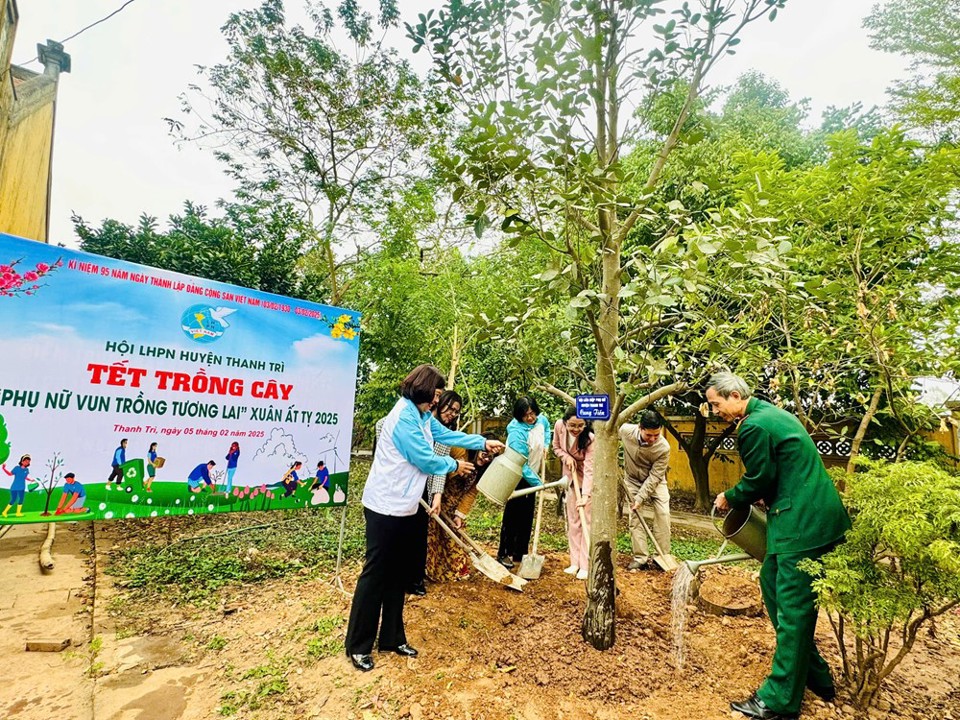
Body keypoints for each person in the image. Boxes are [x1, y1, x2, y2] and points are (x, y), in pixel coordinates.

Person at [708, 371, 851, 720]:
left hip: (801, 524)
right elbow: (779, 470)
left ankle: (779, 701)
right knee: (771, 583)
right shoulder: (771, 414)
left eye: (716, 404)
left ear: (735, 395)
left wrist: (732, 496)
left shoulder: (754, 426)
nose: (714, 412)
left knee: (792, 610)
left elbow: (759, 478)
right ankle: (816, 677)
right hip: (813, 516)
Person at [345, 364, 504, 673]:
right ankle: (358, 645)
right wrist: (454, 466)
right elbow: (424, 458)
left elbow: (444, 434)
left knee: (397, 574)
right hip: (384, 505)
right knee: (375, 574)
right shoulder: (404, 417)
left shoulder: (421, 416)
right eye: (437, 393)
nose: (439, 399)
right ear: (425, 390)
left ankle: (391, 637)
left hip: (405, 505)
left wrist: (482, 443)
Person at [410, 390, 463, 595]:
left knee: (419, 534)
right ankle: (399, 577)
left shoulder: (445, 433)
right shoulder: (420, 421)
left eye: (456, 412)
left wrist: (436, 495)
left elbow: (439, 467)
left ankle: (415, 580)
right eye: (450, 408)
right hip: (407, 483)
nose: (451, 413)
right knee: (402, 531)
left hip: (425, 487)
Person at [425, 432, 498, 583]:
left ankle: (454, 570)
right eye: (484, 454)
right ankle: (430, 571)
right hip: (438, 496)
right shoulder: (460, 450)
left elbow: (471, 493)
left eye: (489, 458)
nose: (484, 459)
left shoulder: (483, 470)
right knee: (433, 536)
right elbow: (439, 465)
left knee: (455, 535)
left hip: (455, 504)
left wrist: (460, 514)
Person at [497, 396, 551, 568]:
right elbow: (521, 463)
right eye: (526, 415)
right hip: (516, 476)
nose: (530, 418)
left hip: (532, 474)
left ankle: (520, 552)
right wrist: (539, 484)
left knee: (527, 516)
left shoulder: (541, 420)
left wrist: (546, 445)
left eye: (532, 413)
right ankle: (504, 553)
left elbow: (547, 430)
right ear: (519, 415)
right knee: (513, 515)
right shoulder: (516, 433)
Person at [619, 409, 671, 570]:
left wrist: (640, 498)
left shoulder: (663, 447)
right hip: (632, 480)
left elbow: (655, 477)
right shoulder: (625, 431)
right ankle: (640, 557)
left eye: (657, 435)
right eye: (649, 435)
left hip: (656, 482)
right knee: (635, 517)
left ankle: (662, 556)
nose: (653, 439)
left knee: (663, 514)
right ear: (640, 427)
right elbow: (608, 432)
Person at [553, 408, 594, 580]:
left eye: (580, 425)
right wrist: (565, 457)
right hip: (570, 477)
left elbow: (591, 469)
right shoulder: (559, 427)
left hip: (587, 480)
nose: (576, 429)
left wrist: (585, 495)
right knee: (573, 521)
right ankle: (574, 562)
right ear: (565, 422)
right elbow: (555, 447)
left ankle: (585, 565)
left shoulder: (591, 439)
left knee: (586, 519)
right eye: (572, 425)